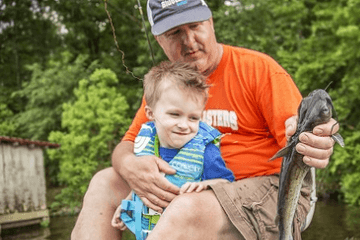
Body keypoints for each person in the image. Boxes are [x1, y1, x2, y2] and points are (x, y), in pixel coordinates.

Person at [71, 0, 339, 239]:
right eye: (175, 32)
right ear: (159, 40)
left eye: (195, 26)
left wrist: (315, 142)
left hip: (268, 189)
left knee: (187, 209)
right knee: (104, 183)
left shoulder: (259, 70)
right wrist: (130, 165)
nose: (189, 41)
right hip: (187, 184)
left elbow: (301, 137)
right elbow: (126, 145)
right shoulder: (167, 87)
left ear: (210, 22)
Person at [110, 61, 234, 239]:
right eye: (174, 114)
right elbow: (143, 185)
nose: (184, 125)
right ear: (151, 114)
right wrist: (128, 202)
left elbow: (226, 183)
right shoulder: (147, 142)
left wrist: (205, 185)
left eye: (193, 118)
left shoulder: (204, 150)